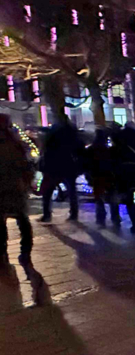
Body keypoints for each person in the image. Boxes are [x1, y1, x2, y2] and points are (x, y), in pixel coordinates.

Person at [0, 115, 33, 267]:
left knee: (1, 222)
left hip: (2, 187)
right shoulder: (16, 143)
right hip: (16, 186)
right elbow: (26, 166)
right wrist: (27, 183)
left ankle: (3, 253)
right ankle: (25, 251)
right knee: (22, 219)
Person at [39, 114, 83, 222]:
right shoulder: (72, 133)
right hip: (68, 164)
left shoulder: (52, 134)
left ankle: (47, 214)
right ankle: (74, 213)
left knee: (47, 191)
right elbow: (79, 149)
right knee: (71, 190)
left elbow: (46, 149)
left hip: (53, 165)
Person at [85, 129, 121, 227]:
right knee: (113, 198)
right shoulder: (109, 150)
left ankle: (101, 218)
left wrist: (89, 176)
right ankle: (115, 217)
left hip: (96, 176)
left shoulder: (91, 150)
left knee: (99, 198)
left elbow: (87, 164)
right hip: (109, 176)